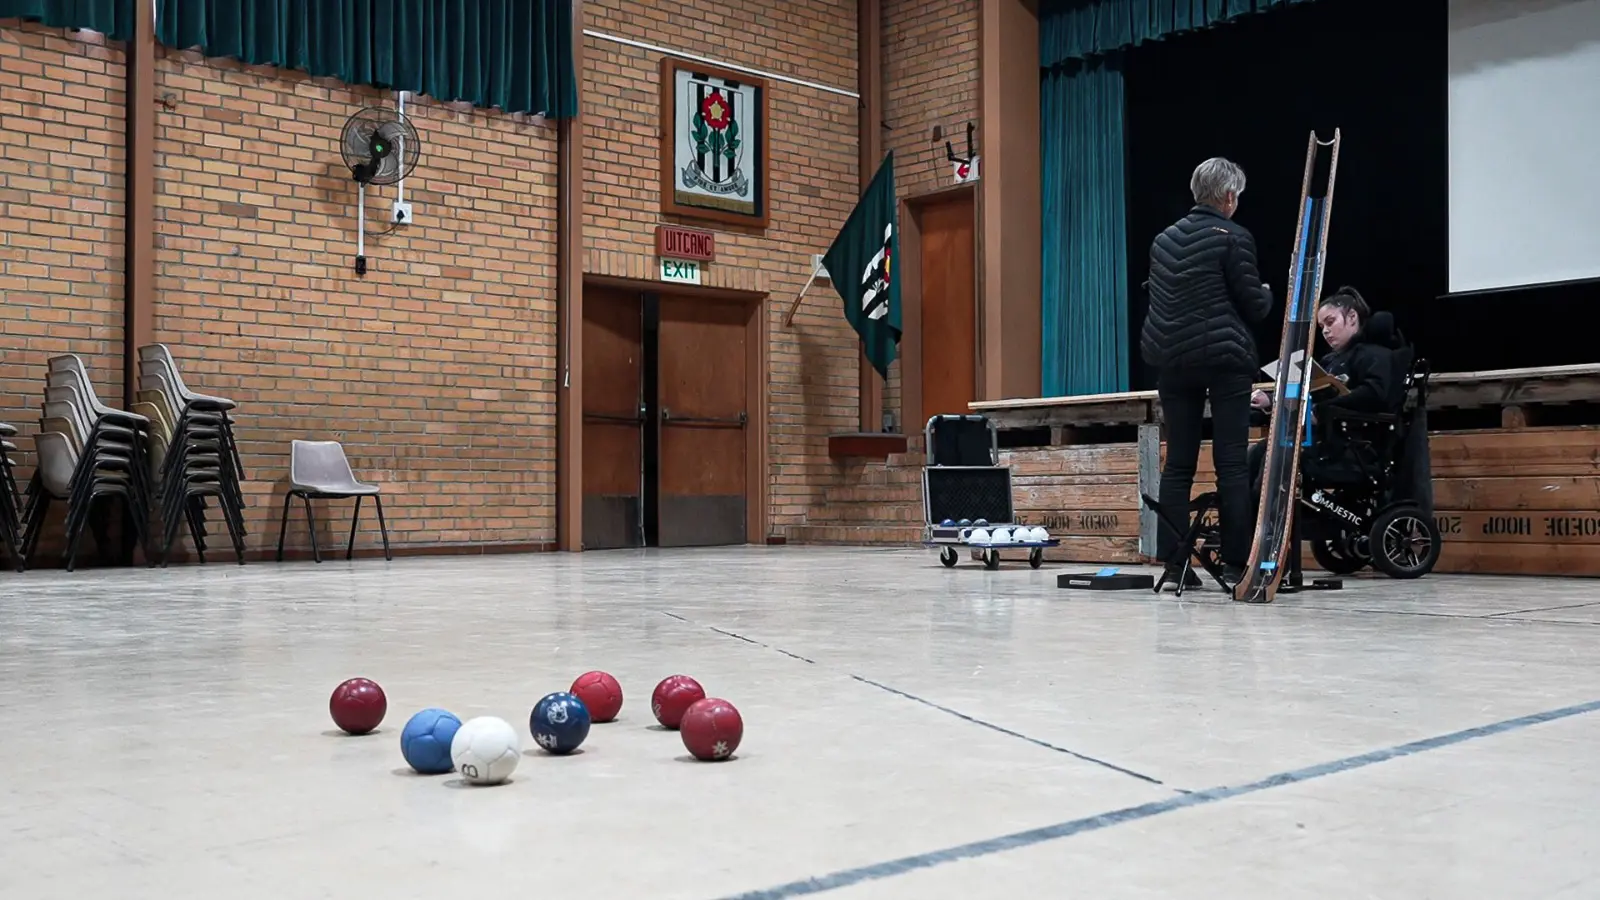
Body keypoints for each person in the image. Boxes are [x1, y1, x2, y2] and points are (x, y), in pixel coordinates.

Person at [1140, 157, 1274, 587]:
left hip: (1172, 361)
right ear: (1230, 197)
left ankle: (1176, 562)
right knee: (1231, 464)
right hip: (1223, 360)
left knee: (1177, 464)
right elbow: (1254, 305)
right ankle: (1236, 564)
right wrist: (1268, 294)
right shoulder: (1233, 237)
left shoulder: (1163, 240)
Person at [1249, 286, 1404, 490]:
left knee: (1275, 456)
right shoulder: (1330, 361)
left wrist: (1322, 410)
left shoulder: (1376, 354)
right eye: (1322, 327)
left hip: (1355, 448)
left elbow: (1374, 394)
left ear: (1352, 317)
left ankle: (1258, 520)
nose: (1326, 331)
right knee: (1258, 451)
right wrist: (1271, 400)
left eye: (1330, 322)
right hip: (1326, 440)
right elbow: (1307, 395)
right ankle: (1241, 517)